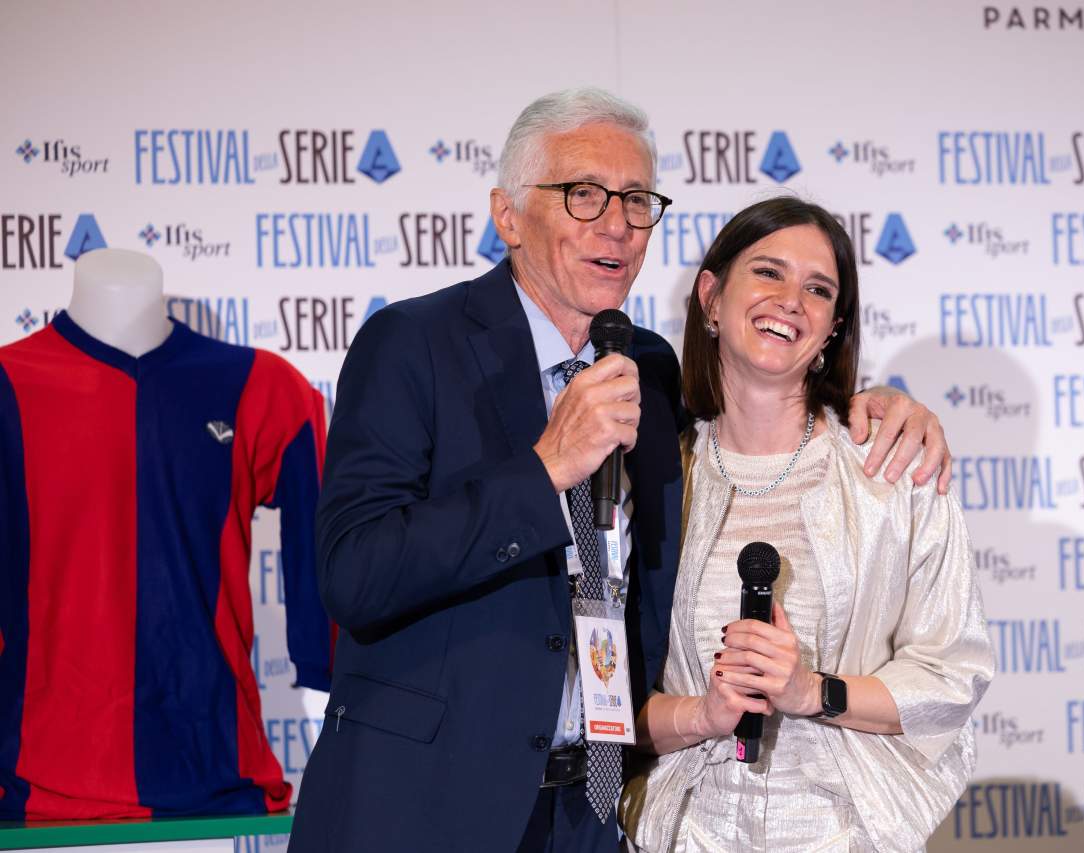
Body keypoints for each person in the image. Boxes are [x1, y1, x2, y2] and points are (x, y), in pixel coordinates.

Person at [288, 89, 952, 853]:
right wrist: (544, 470)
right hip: (423, 808)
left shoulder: (648, 365)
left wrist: (869, 406)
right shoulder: (412, 342)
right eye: (584, 194)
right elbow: (354, 572)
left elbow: (760, 406)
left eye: (637, 200)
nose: (617, 224)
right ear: (508, 216)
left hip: (591, 810)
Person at [619, 198, 994, 853]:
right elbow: (605, 701)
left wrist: (812, 691)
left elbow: (951, 675)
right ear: (710, 297)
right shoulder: (649, 482)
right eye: (768, 272)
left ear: (832, 329)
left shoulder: (893, 469)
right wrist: (705, 713)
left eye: (818, 289)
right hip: (689, 835)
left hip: (842, 835)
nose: (791, 300)